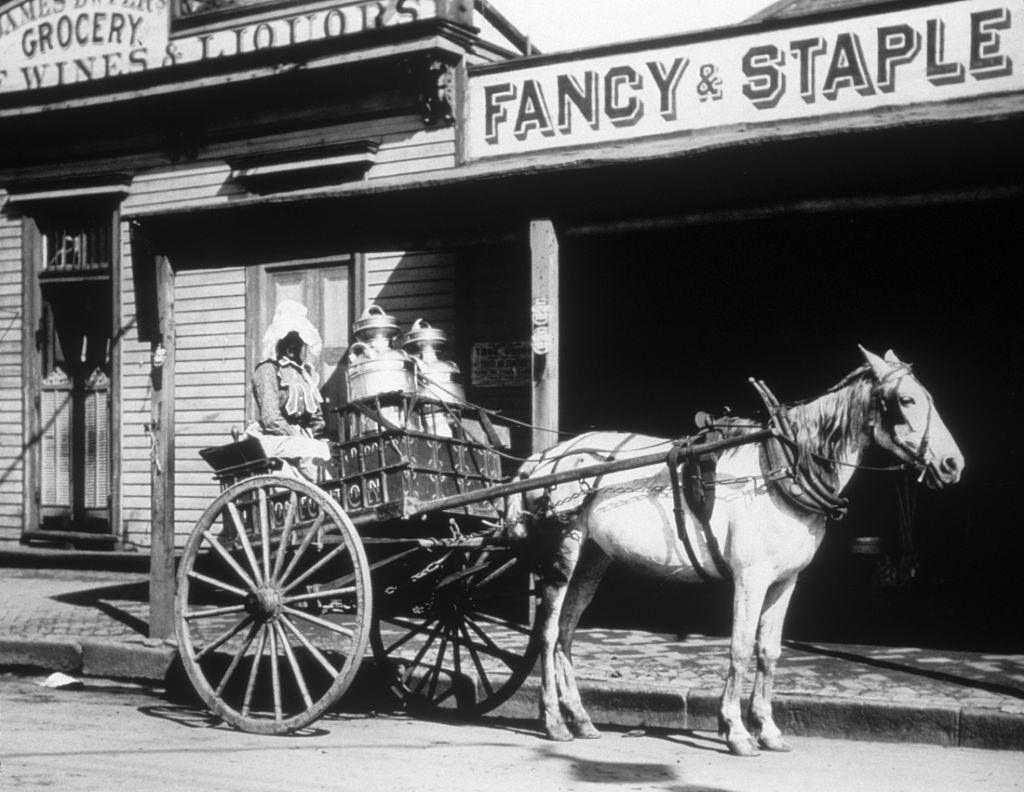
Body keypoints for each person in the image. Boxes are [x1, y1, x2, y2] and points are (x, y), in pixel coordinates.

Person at [246, 300, 332, 481]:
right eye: (303, 345)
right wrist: (299, 436)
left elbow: (316, 417)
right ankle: (322, 494)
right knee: (312, 450)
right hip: (272, 438)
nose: (307, 350)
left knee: (328, 451)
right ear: (291, 348)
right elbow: (270, 419)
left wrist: (321, 436)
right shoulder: (267, 370)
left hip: (298, 438)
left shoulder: (305, 374)